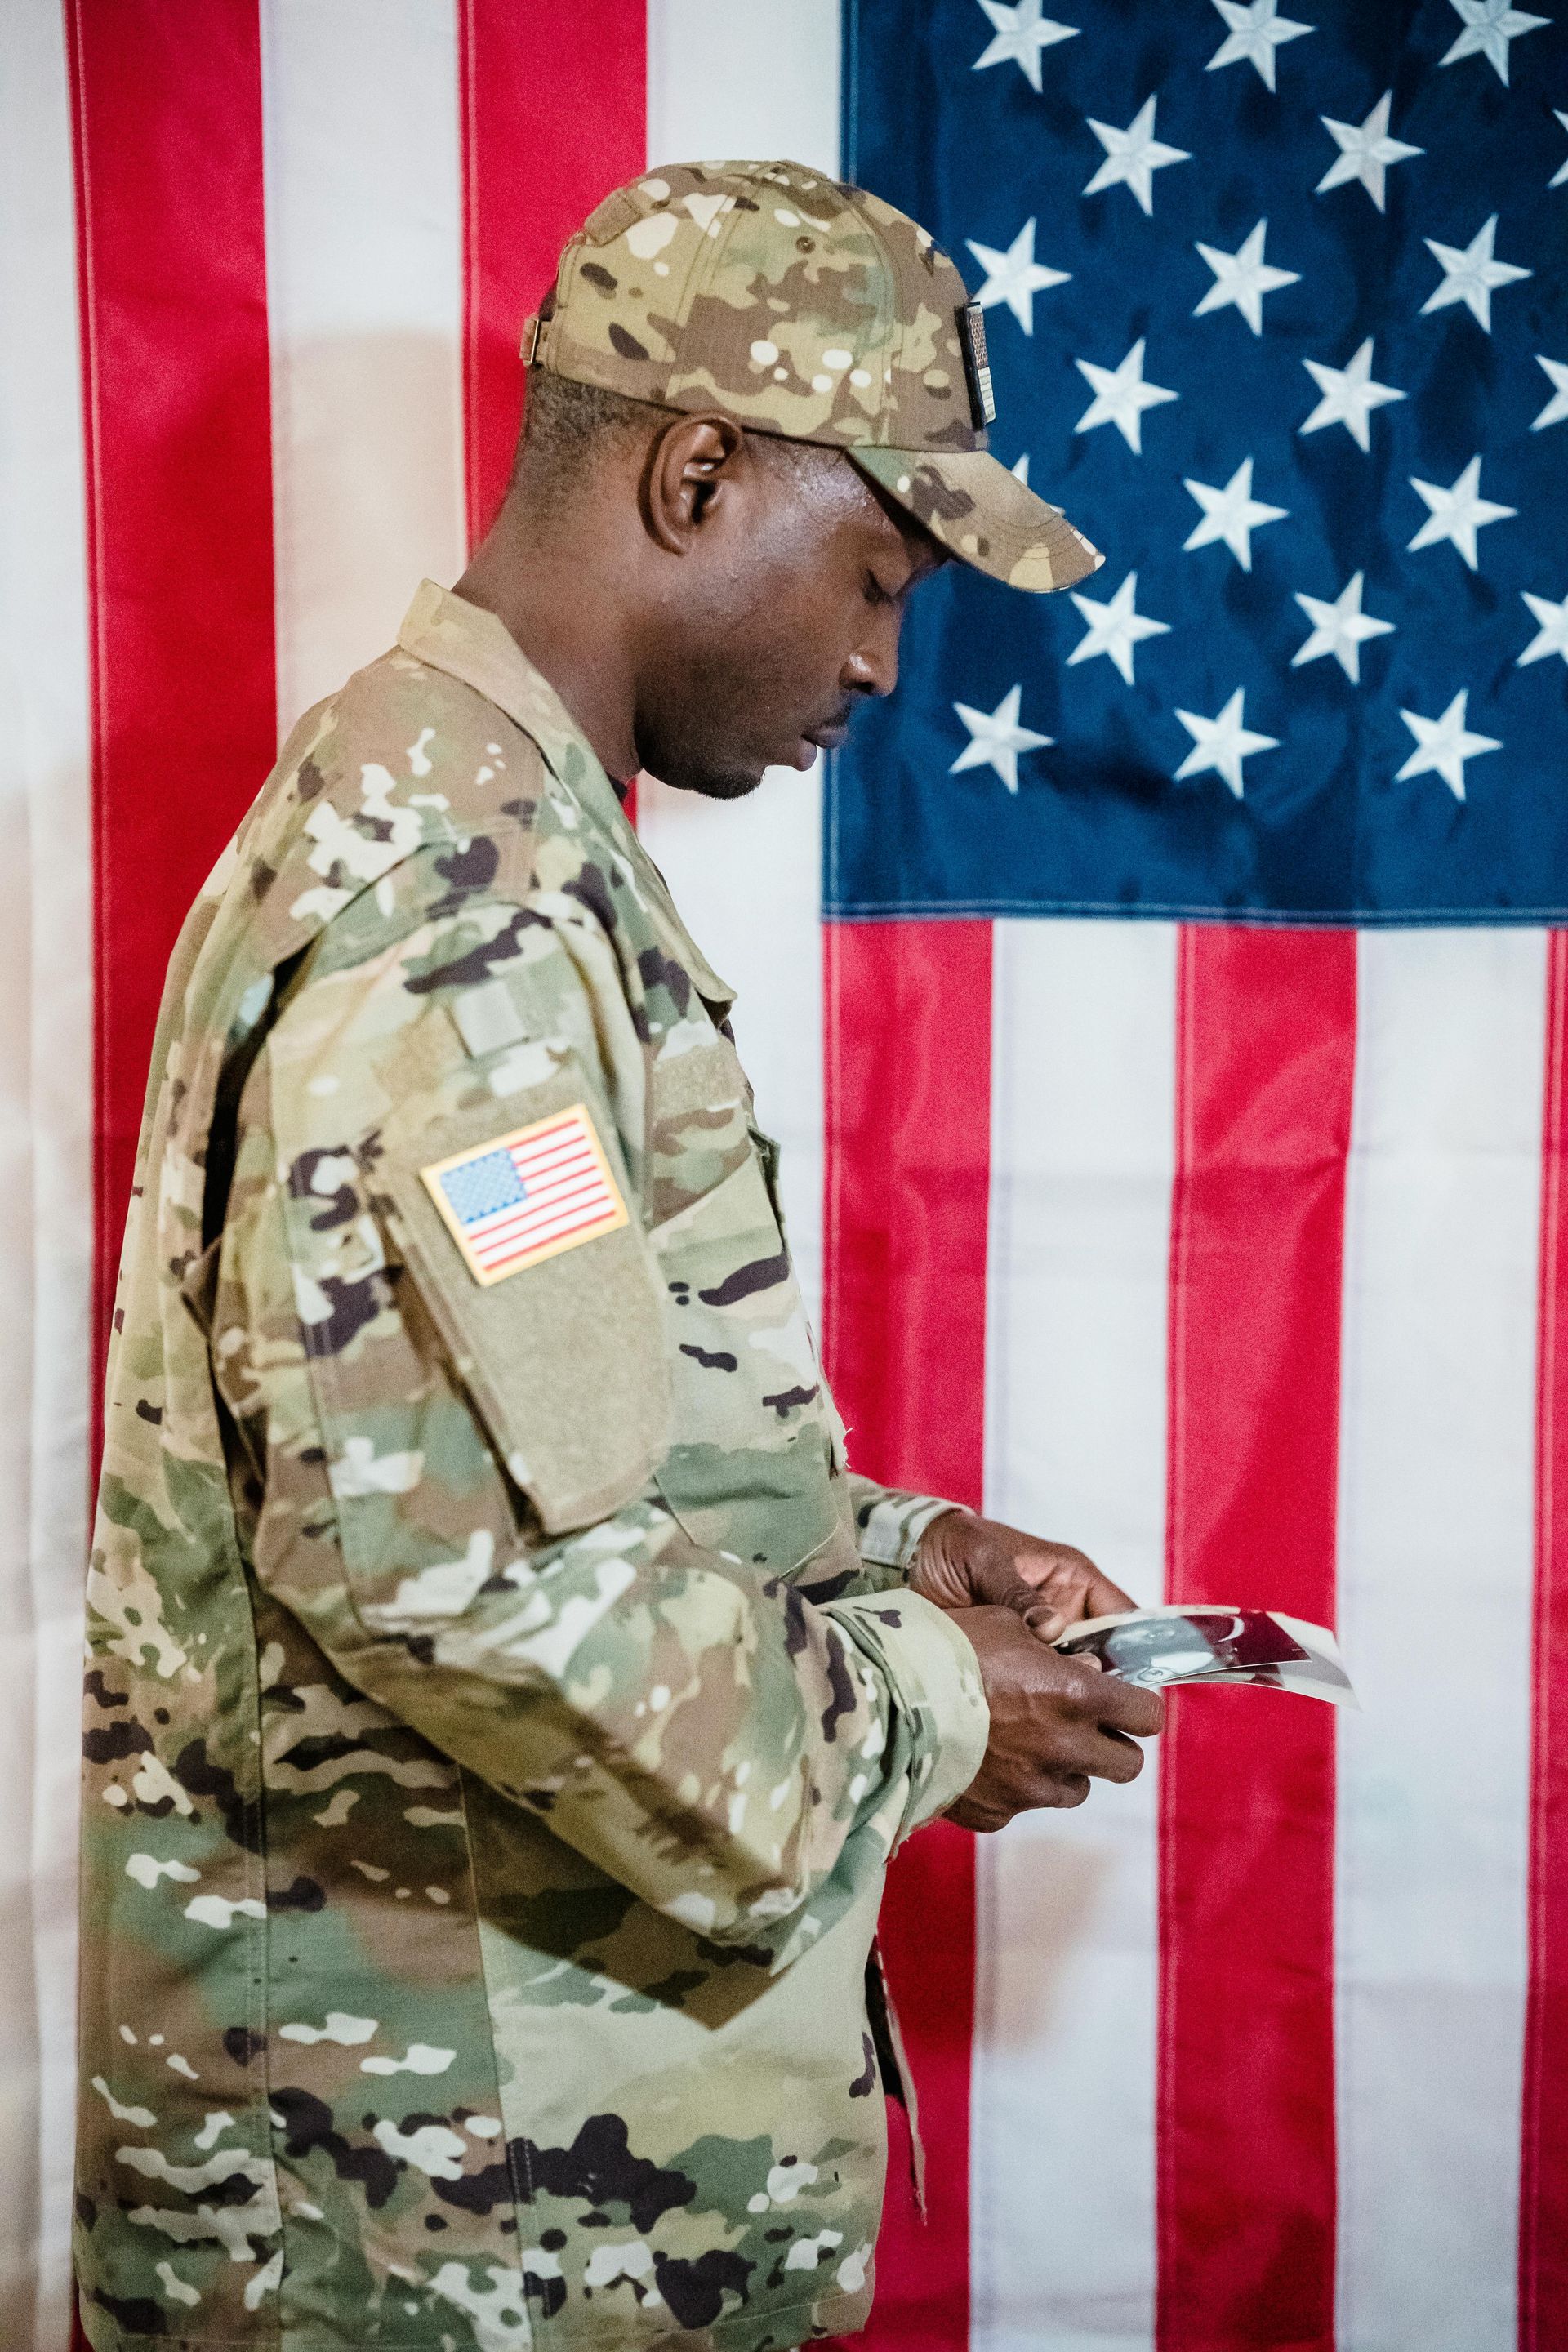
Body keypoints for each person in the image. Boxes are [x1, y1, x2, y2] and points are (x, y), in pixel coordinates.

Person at [74, 160, 1162, 2352]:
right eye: (877, 570)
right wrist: (930, 1702)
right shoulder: (454, 904)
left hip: (511, 2190)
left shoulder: (499, 845)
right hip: (435, 2238)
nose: (879, 658)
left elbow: (551, 1456)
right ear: (693, 473)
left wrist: (892, 1549)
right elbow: (467, 1584)